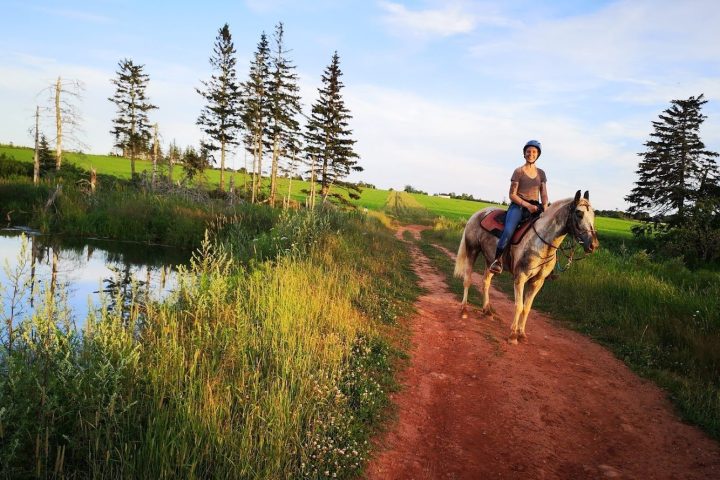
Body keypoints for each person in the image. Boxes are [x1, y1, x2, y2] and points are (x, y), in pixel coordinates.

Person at [489, 140, 549, 274]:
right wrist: (527, 205)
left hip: (536, 207)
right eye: (528, 151)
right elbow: (512, 195)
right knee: (509, 231)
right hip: (518, 206)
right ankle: (497, 260)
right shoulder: (519, 171)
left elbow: (543, 193)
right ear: (524, 153)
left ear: (538, 154)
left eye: (534, 152)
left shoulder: (541, 173)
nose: (531, 154)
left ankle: (547, 266)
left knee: (549, 231)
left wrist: (545, 207)